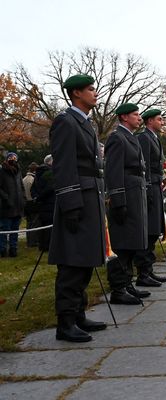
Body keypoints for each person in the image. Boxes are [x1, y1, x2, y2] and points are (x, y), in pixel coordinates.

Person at [48, 74, 106, 342]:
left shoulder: (85, 123)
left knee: (85, 259)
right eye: (90, 89)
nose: (95, 93)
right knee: (72, 261)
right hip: (77, 198)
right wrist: (71, 204)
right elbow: (64, 165)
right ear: (76, 94)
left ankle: (78, 314)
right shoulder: (66, 121)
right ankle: (66, 322)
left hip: (90, 196)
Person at [104, 103, 149, 305]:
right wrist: (118, 200)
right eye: (135, 115)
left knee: (132, 242)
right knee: (122, 242)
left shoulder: (130, 137)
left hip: (135, 192)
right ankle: (118, 288)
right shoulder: (117, 137)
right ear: (124, 117)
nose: (139, 118)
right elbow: (113, 171)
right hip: (126, 194)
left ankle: (127, 283)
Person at [133, 108, 166, 287]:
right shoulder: (144, 138)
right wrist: (147, 188)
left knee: (155, 229)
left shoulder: (154, 138)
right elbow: (144, 164)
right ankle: (143, 272)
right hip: (150, 186)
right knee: (150, 230)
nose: (162, 122)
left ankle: (149, 270)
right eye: (159, 119)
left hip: (156, 185)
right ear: (149, 122)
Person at [0, 152, 25, 257]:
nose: (13, 159)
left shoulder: (19, 171)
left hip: (18, 206)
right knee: (5, 230)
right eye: (10, 157)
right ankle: (2, 250)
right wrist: (6, 198)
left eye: (15, 157)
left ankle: (13, 250)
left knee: (15, 230)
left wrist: (23, 198)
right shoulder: (2, 171)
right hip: (6, 207)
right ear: (7, 159)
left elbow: (21, 186)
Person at [31, 155, 55, 252]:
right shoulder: (50, 173)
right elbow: (50, 188)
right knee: (49, 227)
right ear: (50, 162)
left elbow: (33, 188)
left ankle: (42, 245)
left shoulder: (38, 172)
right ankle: (48, 246)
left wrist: (36, 197)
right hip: (50, 203)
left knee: (43, 225)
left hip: (42, 203)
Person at [22, 162, 39, 247]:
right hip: (32, 202)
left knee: (29, 223)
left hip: (26, 203)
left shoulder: (24, 178)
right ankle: (33, 242)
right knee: (34, 223)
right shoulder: (32, 179)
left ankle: (29, 240)